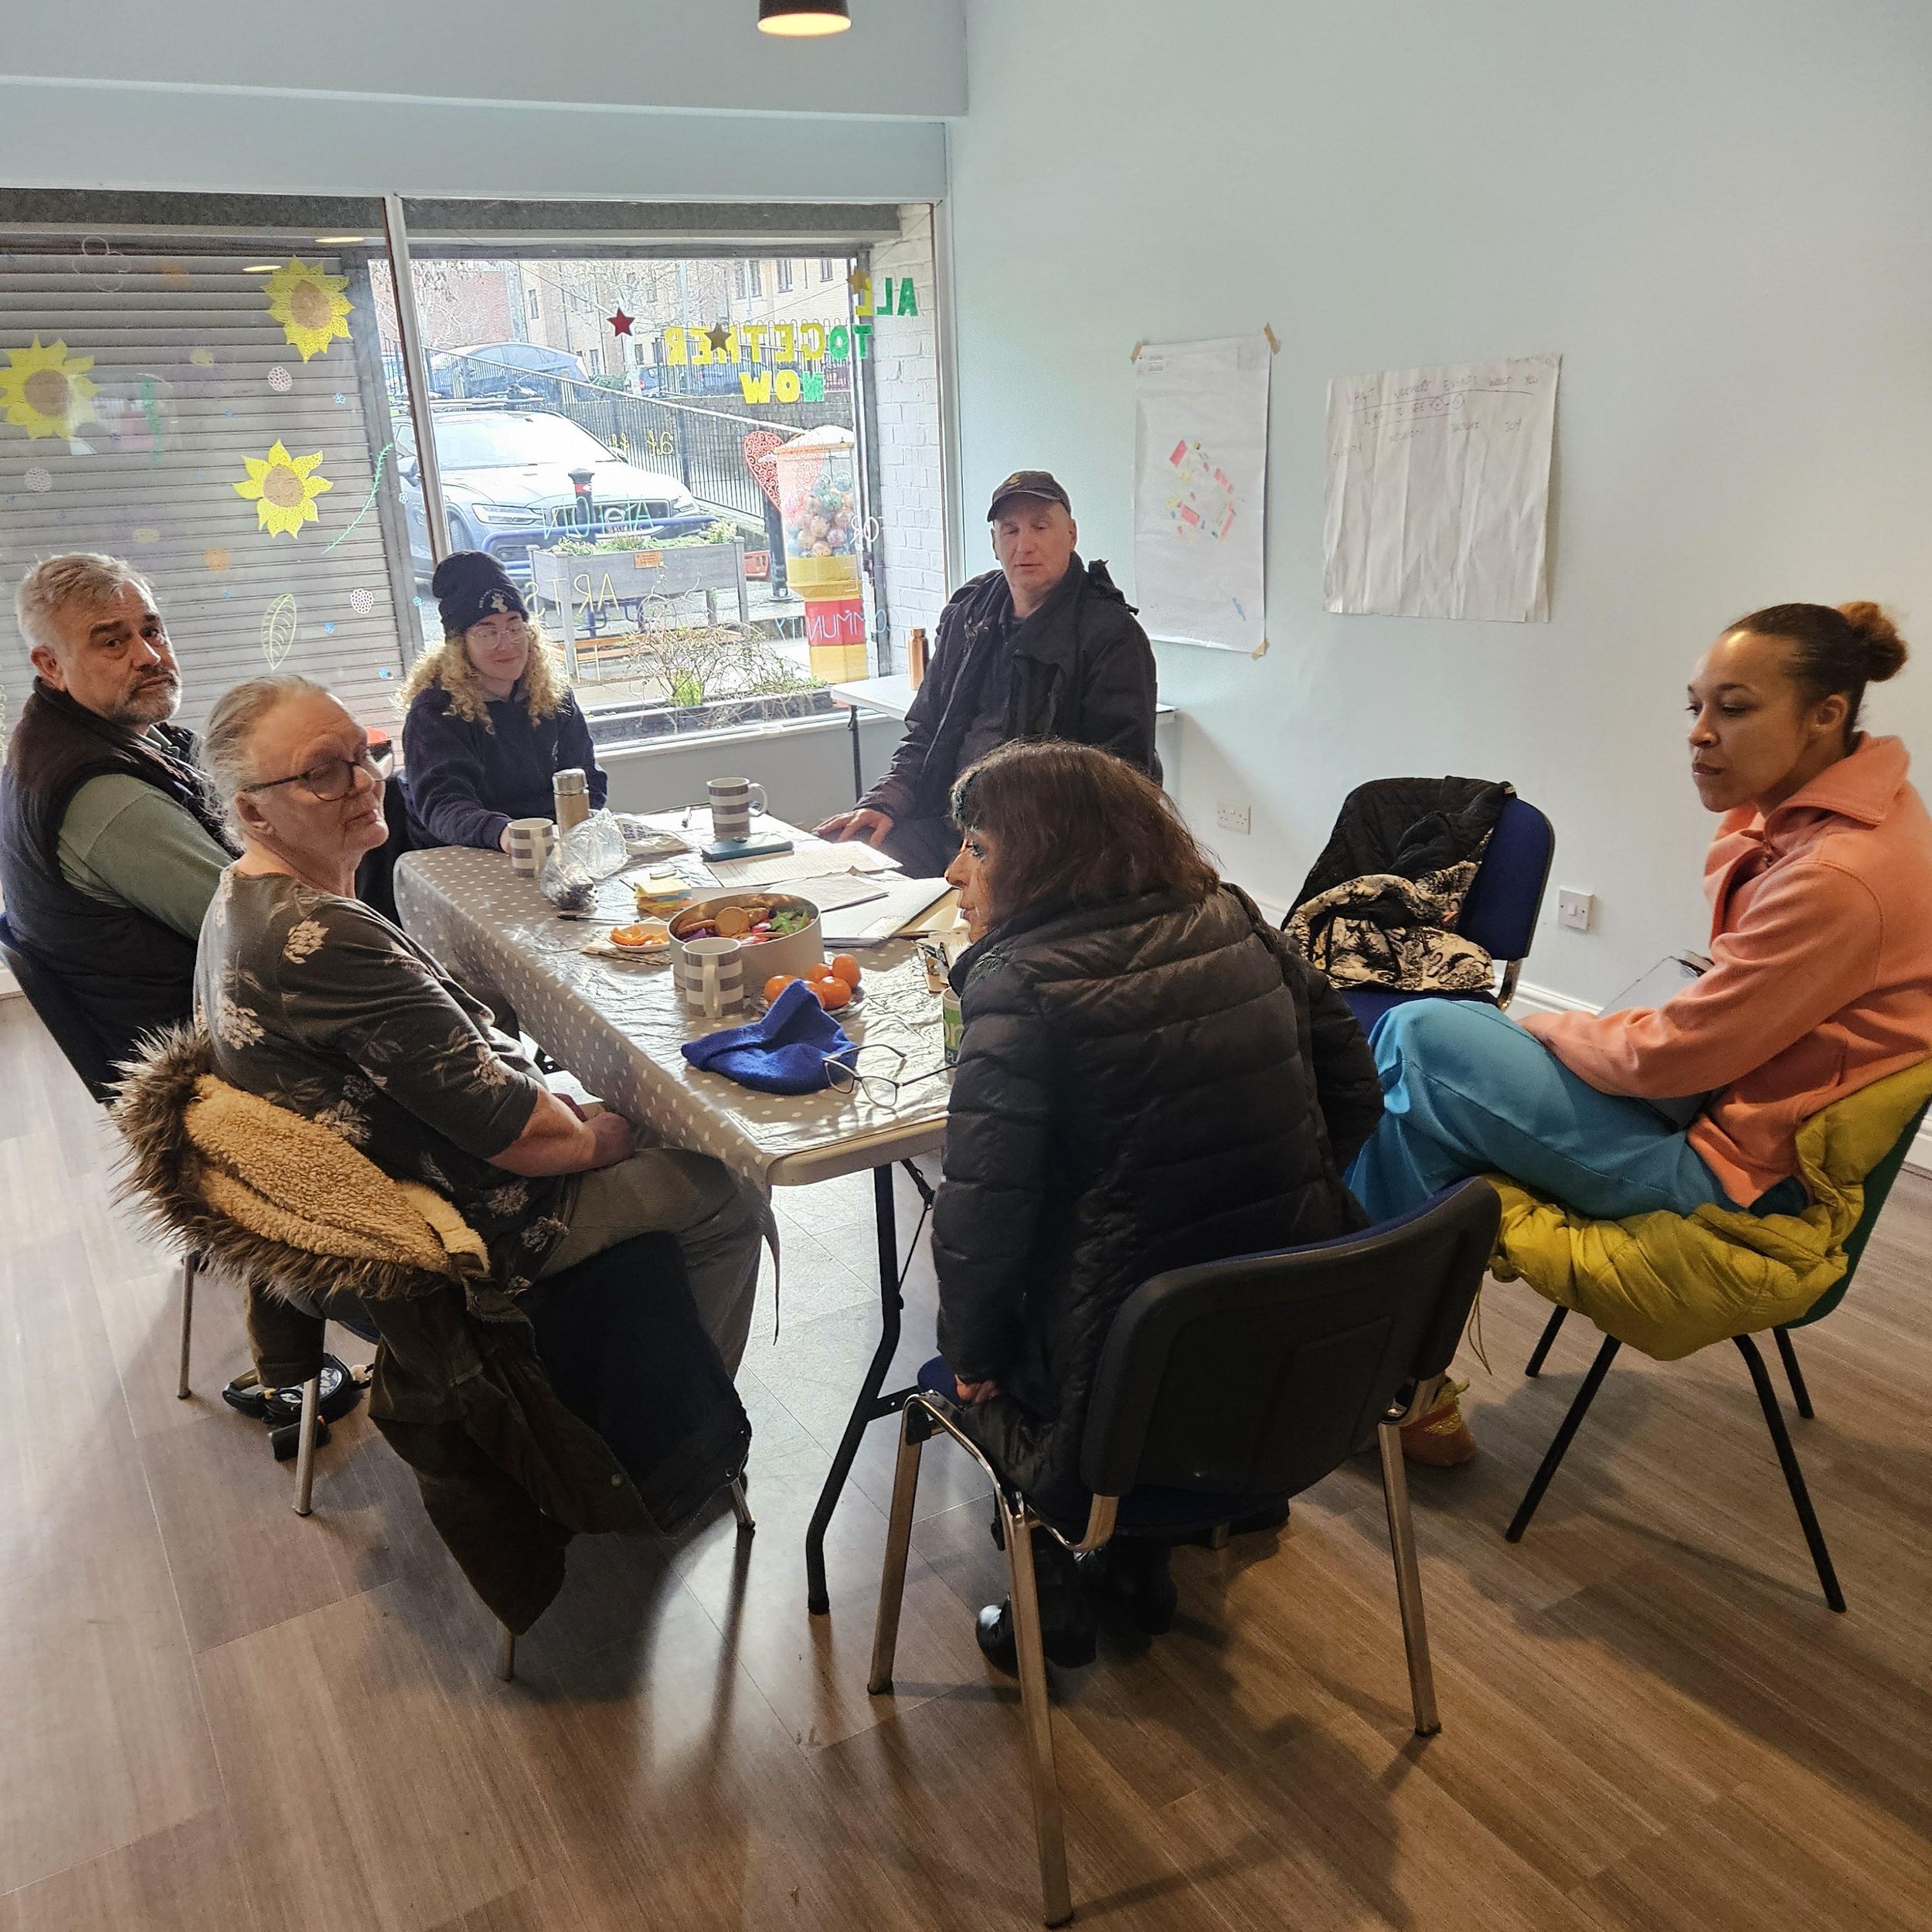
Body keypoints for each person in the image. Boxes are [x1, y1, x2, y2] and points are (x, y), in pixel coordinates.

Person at [1347, 601, 1932, 1459]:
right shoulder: (1860, 824)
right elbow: (1711, 1032)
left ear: (1825, 716)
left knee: (1420, 1037)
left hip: (1735, 1182)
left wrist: (1548, 1031)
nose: (1699, 734)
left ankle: (1361, 1375)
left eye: (1732, 709)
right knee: (1416, 1104)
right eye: (1693, 706)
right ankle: (1389, 1388)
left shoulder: (1839, 876)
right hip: (1732, 1120)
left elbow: (1672, 1056)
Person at [927, 740, 1383, 1669]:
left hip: (1114, 1392)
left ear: (1042, 854)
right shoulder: (1234, 915)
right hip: (1292, 1346)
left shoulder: (1018, 983)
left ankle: (1051, 1592)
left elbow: (982, 1222)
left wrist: (971, 1356)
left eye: (976, 847)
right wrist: (1270, 1192)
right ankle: (1139, 1563)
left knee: (1018, 1334)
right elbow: (1356, 1093)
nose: (953, 872)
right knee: (1122, 1276)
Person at [195, 674, 762, 1369]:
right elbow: (517, 1137)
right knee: (724, 1188)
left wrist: (561, 1109)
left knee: (630, 1109)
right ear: (255, 813)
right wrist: (596, 1136)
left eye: (364, 755)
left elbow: (446, 1076)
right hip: (460, 1230)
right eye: (322, 774)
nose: (365, 782)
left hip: (380, 1189)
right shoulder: (318, 938)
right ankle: (679, 1439)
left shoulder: (239, 896)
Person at [815, 472, 1158, 876]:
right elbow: (927, 732)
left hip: (1048, 843)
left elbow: (1119, 780)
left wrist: (1000, 843)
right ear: (995, 543)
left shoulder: (1110, 634)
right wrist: (883, 802)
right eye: (1010, 530)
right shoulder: (969, 614)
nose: (1025, 544)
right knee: (852, 863)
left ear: (1072, 535)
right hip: (949, 823)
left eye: (1041, 527)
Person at [0, 553, 232, 1066]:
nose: (149, 656)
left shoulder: (112, 734)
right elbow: (263, 925)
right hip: (205, 1054)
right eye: (112, 642)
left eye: (153, 630)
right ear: (51, 666)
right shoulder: (101, 794)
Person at [401, 550, 607, 852]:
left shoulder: (553, 696)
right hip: (470, 852)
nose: (506, 643)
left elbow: (587, 778)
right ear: (460, 645)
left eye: (514, 626)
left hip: (553, 842)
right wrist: (505, 834)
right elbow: (444, 805)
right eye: (488, 632)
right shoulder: (435, 711)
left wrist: (574, 823)